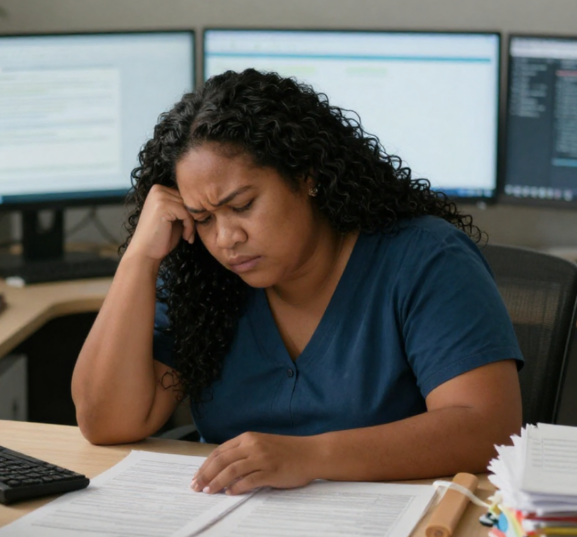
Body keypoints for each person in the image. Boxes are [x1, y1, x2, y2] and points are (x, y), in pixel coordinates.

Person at [72, 69, 523, 496]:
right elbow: (106, 423)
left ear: (306, 176)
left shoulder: (423, 258)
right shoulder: (202, 277)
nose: (227, 239)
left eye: (243, 205)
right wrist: (138, 260)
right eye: (203, 219)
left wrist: (309, 457)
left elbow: (487, 429)